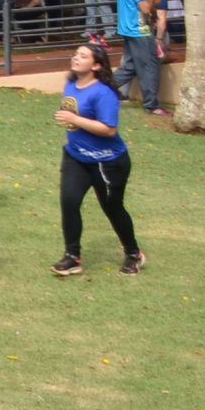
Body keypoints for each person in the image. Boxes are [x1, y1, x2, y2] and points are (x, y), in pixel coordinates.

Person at [52, 43, 142, 277]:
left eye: (83, 56)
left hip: (108, 163)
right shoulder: (71, 85)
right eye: (75, 54)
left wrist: (74, 119)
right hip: (76, 157)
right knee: (69, 203)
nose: (76, 58)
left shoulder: (104, 93)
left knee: (112, 208)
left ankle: (133, 254)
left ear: (97, 65)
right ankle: (73, 257)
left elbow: (109, 129)